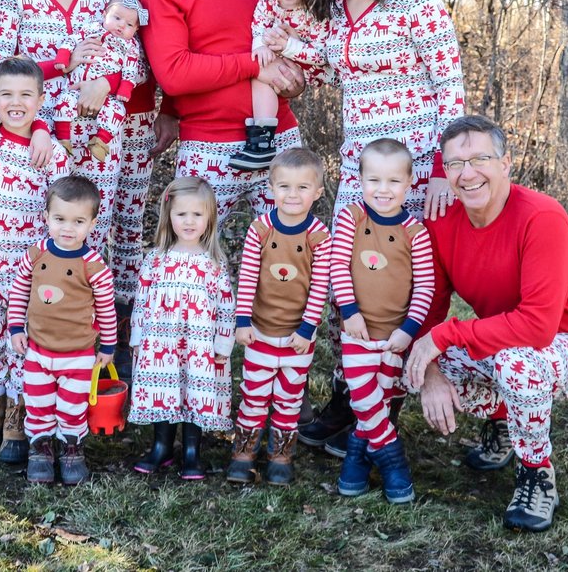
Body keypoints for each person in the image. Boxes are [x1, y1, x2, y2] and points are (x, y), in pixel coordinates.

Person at [296, 0, 465, 453]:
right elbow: (321, 70)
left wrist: (443, 170)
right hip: (358, 169)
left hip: (414, 168)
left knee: (403, 282)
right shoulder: (335, 10)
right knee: (353, 277)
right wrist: (279, 49)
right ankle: (352, 392)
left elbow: (450, 85)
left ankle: (382, 406)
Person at [406, 115, 568, 532]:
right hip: (510, 343)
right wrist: (430, 369)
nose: (467, 174)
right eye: (454, 164)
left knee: (515, 365)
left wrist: (444, 336)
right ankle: (507, 420)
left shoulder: (541, 216)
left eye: (480, 159)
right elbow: (431, 307)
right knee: (410, 364)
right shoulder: (442, 221)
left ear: (506, 163)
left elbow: (538, 327)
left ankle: (537, 475)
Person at [26, 0, 181, 382]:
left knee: (120, 224)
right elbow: (21, 41)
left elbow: (166, 26)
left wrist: (167, 105)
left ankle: (113, 348)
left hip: (127, 115)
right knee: (61, 219)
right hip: (51, 121)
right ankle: (51, 336)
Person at [141, 0, 305, 230]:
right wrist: (253, 66)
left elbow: (297, 49)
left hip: (280, 138)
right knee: (188, 263)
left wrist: (297, 79)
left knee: (291, 262)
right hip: (209, 149)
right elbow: (174, 74)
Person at [0, 0, 122, 253]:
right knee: (36, 239)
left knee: (88, 237)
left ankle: (84, 311)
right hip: (38, 138)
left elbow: (135, 60)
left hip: (98, 135)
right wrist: (62, 64)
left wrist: (106, 85)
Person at [0, 56, 71, 466]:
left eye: (26, 95)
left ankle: (18, 417)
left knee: (23, 341)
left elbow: (61, 215)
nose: (16, 103)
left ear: (42, 99)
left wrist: (42, 130)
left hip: (30, 269)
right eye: (6, 94)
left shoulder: (51, 153)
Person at [330, 138, 435, 504]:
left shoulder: (416, 233)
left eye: (393, 181)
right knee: (364, 398)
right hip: (358, 331)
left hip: (394, 336)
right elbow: (338, 266)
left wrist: (409, 330)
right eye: (374, 180)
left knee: (380, 402)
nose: (383, 190)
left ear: (409, 184)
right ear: (360, 180)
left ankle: (356, 460)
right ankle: (393, 460)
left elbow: (426, 285)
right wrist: (349, 311)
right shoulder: (352, 218)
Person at [226, 148, 331, 486]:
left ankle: (281, 454)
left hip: (298, 336)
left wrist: (307, 327)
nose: (292, 195)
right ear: (271, 189)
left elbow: (319, 286)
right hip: (261, 329)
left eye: (303, 188)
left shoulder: (319, 236)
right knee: (254, 393)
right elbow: (247, 277)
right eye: (284, 186)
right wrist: (243, 321)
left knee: (289, 397)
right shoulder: (260, 229)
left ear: (317, 193)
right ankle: (244, 452)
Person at [7, 175, 117, 486]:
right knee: (39, 402)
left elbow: (106, 309)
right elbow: (20, 290)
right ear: (46, 217)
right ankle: (40, 449)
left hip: (78, 353)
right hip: (38, 349)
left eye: (78, 221)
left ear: (93, 223)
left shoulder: (93, 266)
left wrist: (107, 347)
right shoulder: (37, 254)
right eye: (59, 219)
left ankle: (72, 448)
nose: (68, 228)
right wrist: (16, 325)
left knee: (73, 405)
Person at [129, 177, 236, 480]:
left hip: (199, 346)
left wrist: (223, 345)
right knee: (163, 390)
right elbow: (142, 301)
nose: (189, 221)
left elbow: (227, 307)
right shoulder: (155, 260)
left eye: (197, 215)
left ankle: (192, 451)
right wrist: (137, 337)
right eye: (181, 214)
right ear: (169, 216)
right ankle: (161, 446)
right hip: (160, 341)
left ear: (209, 218)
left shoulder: (213, 263)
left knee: (195, 392)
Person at [228, 0, 331, 171]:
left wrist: (288, 46)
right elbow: (259, 23)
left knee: (264, 69)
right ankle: (263, 140)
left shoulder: (316, 6)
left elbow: (323, 54)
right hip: (284, 54)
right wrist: (259, 46)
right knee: (260, 69)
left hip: (312, 64)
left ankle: (263, 139)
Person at [52, 0, 147, 160]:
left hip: (107, 96)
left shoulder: (130, 47)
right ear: (104, 14)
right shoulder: (93, 29)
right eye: (117, 18)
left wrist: (125, 88)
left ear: (136, 29)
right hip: (76, 86)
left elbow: (131, 70)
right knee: (65, 102)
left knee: (118, 111)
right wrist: (63, 57)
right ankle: (63, 139)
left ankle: (101, 142)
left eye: (129, 24)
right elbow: (72, 39)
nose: (121, 26)